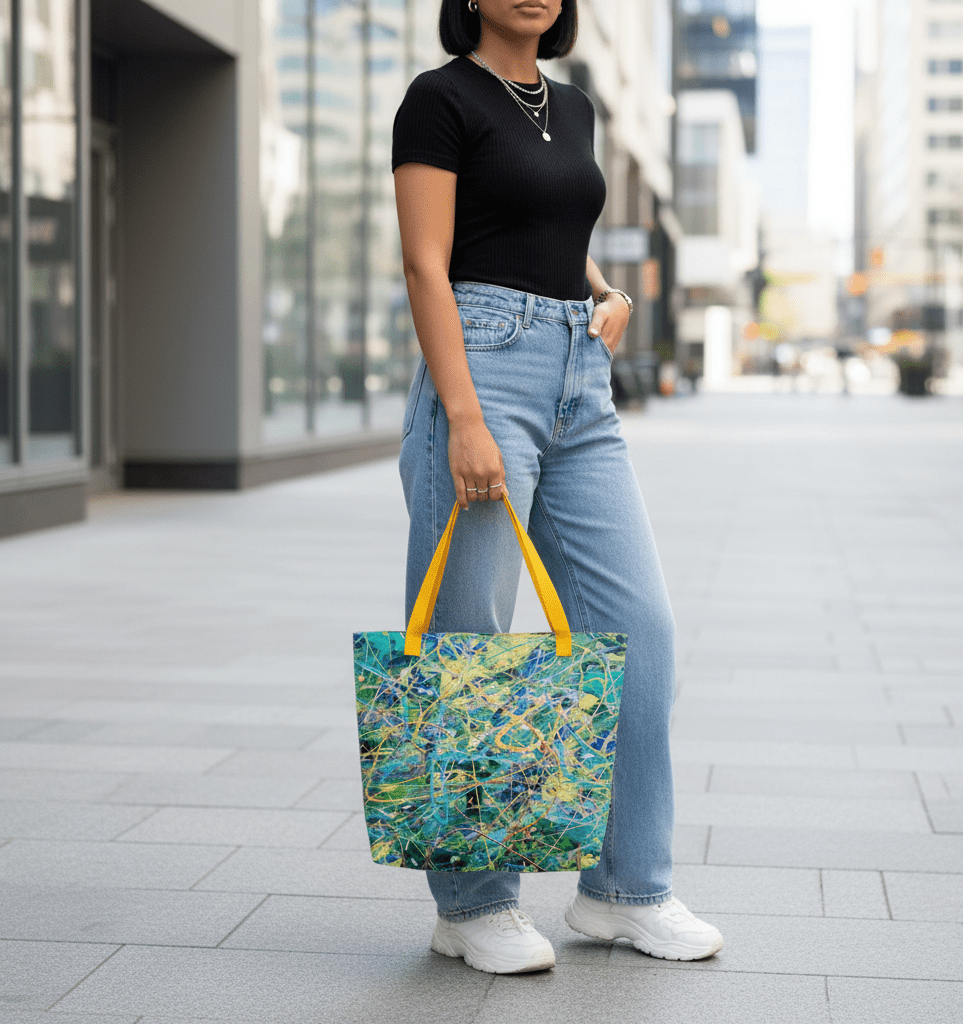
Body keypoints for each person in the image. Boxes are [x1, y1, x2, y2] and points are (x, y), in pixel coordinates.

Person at [392, 0, 723, 974]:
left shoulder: (572, 108)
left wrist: (602, 293)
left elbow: (542, 228)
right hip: (481, 366)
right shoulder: (438, 100)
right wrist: (462, 416)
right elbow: (426, 260)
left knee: (639, 629)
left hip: (581, 375)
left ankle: (623, 891)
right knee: (473, 640)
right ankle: (471, 905)